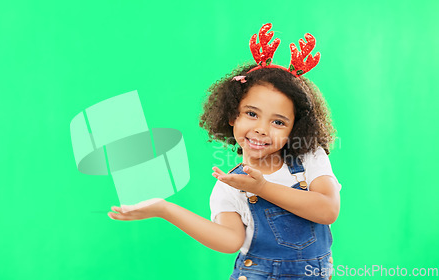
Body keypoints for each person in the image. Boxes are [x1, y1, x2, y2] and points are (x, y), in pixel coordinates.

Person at [109, 23, 340, 280]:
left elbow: (327, 209)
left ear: (294, 129)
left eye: (278, 122)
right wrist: (165, 209)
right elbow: (230, 241)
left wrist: (262, 188)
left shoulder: (309, 159)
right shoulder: (230, 186)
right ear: (232, 116)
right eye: (252, 114)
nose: (262, 129)